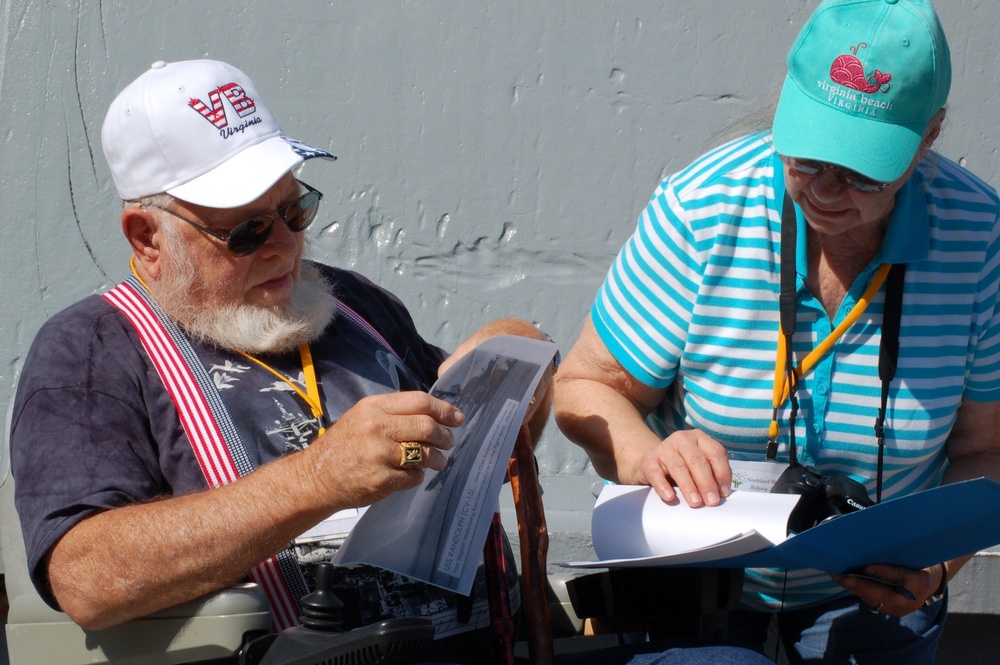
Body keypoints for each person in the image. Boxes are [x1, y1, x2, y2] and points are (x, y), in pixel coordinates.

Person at [9, 58, 556, 663]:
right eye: (246, 231)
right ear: (147, 237)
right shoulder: (92, 353)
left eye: (295, 212)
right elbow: (86, 577)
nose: (284, 246)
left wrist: (515, 382)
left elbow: (481, 461)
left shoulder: (355, 304)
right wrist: (317, 479)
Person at [553, 0, 1000, 663]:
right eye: (808, 154)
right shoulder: (703, 208)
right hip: (696, 576)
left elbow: (986, 451)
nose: (824, 188)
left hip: (875, 593)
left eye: (858, 170)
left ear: (927, 138)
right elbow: (584, 387)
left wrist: (933, 566)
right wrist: (648, 453)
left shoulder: (980, 239)